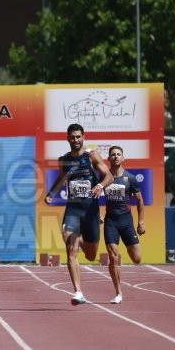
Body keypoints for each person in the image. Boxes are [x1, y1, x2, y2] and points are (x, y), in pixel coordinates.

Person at [44, 124, 112, 305]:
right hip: (73, 209)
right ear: (67, 138)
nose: (75, 140)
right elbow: (62, 178)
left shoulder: (91, 155)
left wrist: (99, 186)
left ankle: (82, 240)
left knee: (90, 255)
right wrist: (51, 193)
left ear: (83, 137)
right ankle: (78, 292)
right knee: (70, 249)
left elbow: (109, 176)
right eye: (72, 137)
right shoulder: (64, 160)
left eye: (78, 137)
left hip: (90, 211)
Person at [102, 146, 145, 304]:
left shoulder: (130, 178)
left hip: (126, 221)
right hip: (111, 221)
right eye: (112, 155)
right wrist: (96, 214)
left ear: (123, 158)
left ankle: (127, 253)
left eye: (118, 154)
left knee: (137, 258)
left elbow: (140, 200)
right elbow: (92, 196)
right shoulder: (104, 177)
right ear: (109, 159)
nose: (115, 157)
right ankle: (118, 292)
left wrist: (141, 222)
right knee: (113, 257)